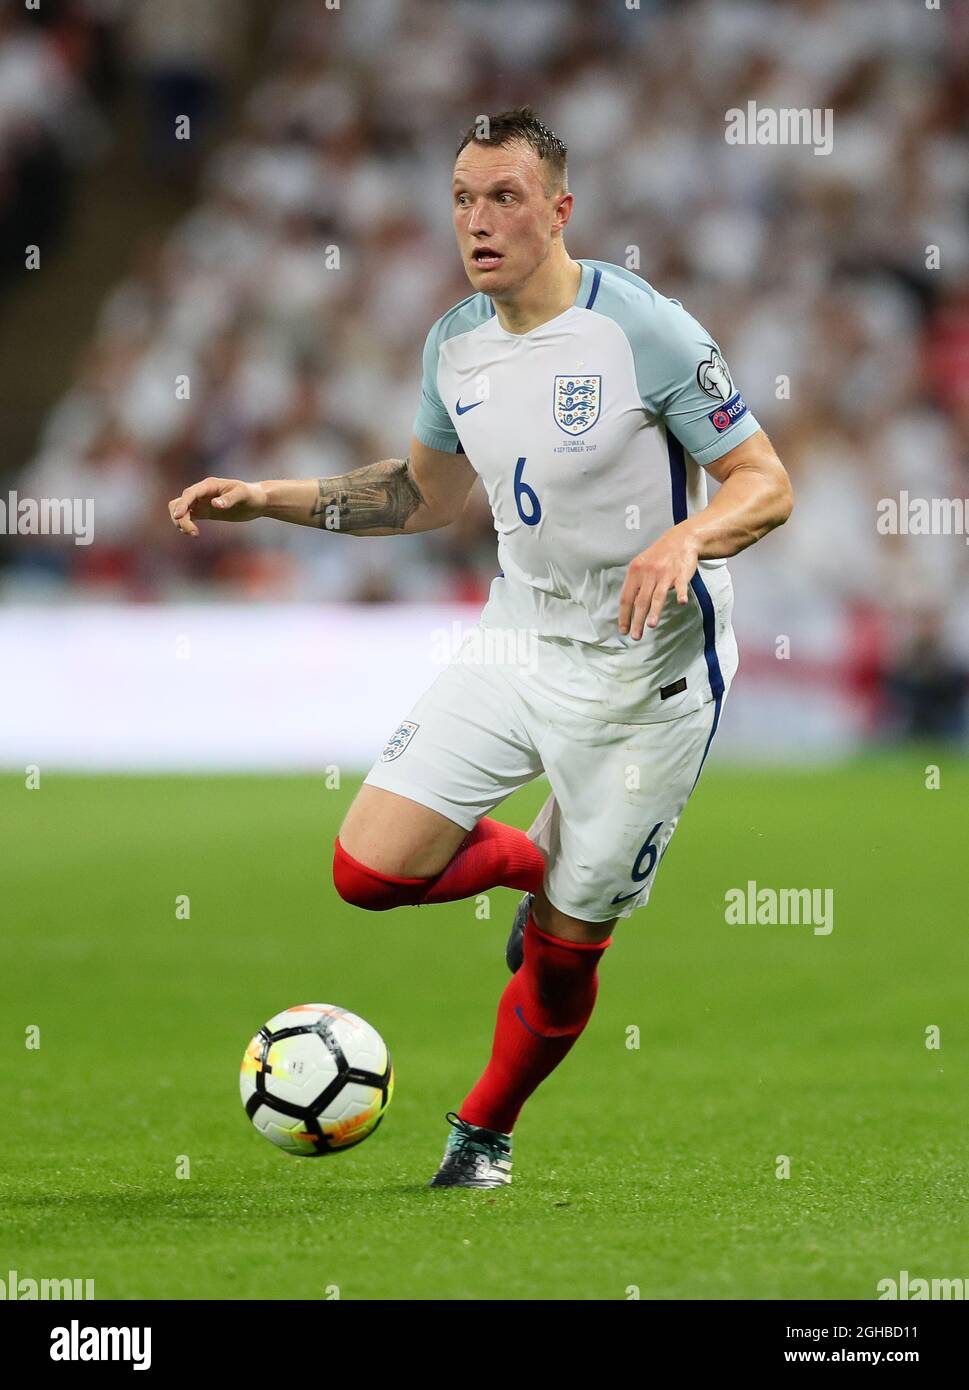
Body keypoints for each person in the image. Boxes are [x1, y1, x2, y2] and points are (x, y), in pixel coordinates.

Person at [169, 107, 793, 1189]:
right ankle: (541, 861)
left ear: (559, 211)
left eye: (503, 197)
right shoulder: (454, 340)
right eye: (462, 197)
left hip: (646, 676)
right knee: (365, 870)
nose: (477, 219)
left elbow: (766, 483)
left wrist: (684, 539)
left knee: (564, 958)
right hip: (518, 637)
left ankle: (484, 1129)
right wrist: (269, 497)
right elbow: (425, 492)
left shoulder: (643, 329)